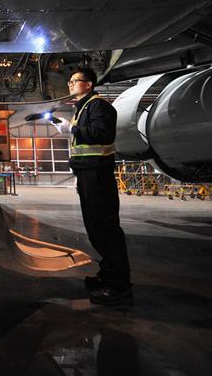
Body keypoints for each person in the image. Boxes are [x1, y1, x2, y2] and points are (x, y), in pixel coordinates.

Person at [54, 67, 133, 306]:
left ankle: (119, 287)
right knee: (95, 229)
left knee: (105, 229)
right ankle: (107, 277)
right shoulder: (83, 108)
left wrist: (72, 129)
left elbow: (102, 134)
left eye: (74, 81)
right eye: (69, 81)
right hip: (87, 174)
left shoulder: (98, 105)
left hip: (97, 175)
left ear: (88, 84)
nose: (70, 84)